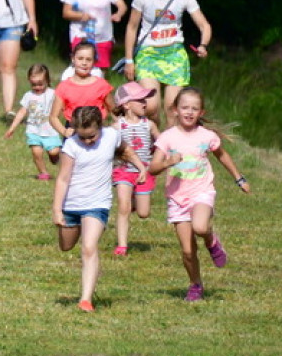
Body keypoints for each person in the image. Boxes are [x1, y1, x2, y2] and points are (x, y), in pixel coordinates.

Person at [148, 87, 250, 301]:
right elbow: (153, 168)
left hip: (202, 191)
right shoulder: (167, 138)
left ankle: (212, 241)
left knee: (200, 226)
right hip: (177, 198)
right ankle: (195, 284)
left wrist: (239, 178)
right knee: (187, 251)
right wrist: (168, 162)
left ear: (201, 112)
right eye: (185, 107)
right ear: (175, 110)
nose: (189, 112)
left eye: (194, 109)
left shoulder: (207, 136)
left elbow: (222, 156)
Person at [52, 106, 147, 313]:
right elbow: (63, 178)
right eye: (82, 137)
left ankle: (86, 299)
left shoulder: (112, 136)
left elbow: (125, 151)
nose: (87, 141)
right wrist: (57, 210)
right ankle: (70, 228)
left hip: (98, 203)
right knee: (66, 246)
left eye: (91, 136)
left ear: (100, 126)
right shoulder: (71, 145)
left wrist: (140, 167)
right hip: (71, 205)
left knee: (89, 247)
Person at [122, 0, 212, 124]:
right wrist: (128, 60)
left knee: (173, 109)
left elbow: (204, 25)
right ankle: (154, 143)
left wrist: (203, 45)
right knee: (150, 106)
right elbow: (132, 27)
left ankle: (170, 148)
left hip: (174, 54)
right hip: (148, 52)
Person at [110, 82, 160, 257]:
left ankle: (132, 203)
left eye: (145, 100)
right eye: (140, 100)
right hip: (123, 170)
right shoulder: (118, 126)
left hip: (144, 172)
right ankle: (122, 246)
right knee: (123, 207)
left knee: (143, 213)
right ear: (126, 104)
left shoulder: (149, 125)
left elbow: (162, 144)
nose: (145, 103)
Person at [4, 63, 61, 180]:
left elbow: (62, 106)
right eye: (33, 84)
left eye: (40, 84)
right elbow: (21, 112)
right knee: (36, 152)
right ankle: (43, 173)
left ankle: (55, 158)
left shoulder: (53, 94)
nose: (37, 87)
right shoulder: (28, 96)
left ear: (47, 80)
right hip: (34, 130)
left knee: (54, 152)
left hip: (50, 130)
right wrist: (12, 128)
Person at [49, 41, 114, 138]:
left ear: (94, 62)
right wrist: (64, 131)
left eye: (88, 60)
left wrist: (115, 128)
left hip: (97, 132)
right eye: (80, 59)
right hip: (74, 132)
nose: (84, 63)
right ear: (73, 59)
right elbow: (53, 117)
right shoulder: (64, 86)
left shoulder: (101, 85)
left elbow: (113, 110)